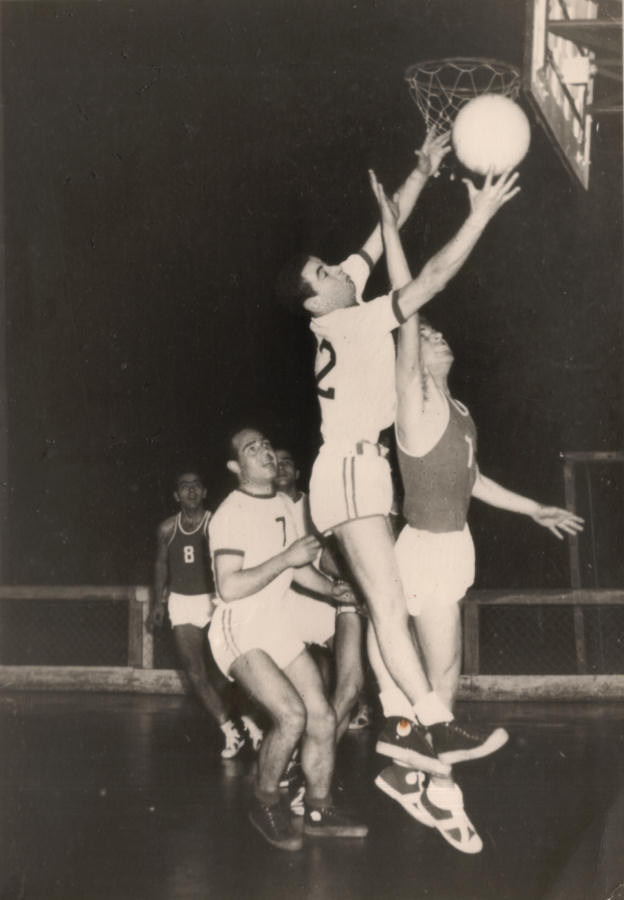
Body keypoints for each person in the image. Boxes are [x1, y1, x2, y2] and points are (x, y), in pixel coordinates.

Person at [276, 132, 520, 776]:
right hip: (348, 470)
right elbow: (430, 278)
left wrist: (422, 171)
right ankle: (432, 725)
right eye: (324, 273)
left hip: (361, 472)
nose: (338, 269)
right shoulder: (349, 320)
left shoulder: (340, 300)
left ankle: (407, 728)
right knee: (386, 605)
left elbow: (382, 234)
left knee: (387, 605)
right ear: (313, 300)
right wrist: (479, 216)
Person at [370, 176, 585, 852]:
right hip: (426, 548)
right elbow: (408, 299)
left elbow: (475, 479)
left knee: (438, 677)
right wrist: (395, 226)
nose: (436, 336)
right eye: (428, 335)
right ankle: (430, 783)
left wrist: (534, 508)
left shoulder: (459, 410)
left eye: (437, 334)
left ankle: (418, 776)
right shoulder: (413, 401)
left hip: (453, 542)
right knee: (441, 675)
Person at [208, 428, 368, 851]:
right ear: (236, 467)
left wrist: (333, 589)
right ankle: (265, 803)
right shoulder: (230, 514)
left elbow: (298, 570)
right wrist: (286, 558)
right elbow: (228, 586)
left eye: (265, 445)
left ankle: (318, 809)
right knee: (291, 716)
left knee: (323, 717)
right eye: (252, 449)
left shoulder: (283, 504)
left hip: (275, 625)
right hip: (238, 629)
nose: (265, 452)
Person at [149, 469, 259, 758]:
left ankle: (249, 721)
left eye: (196, 485)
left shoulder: (216, 524)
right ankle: (229, 730)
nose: (191, 491)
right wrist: (158, 603)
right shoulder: (167, 528)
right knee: (194, 671)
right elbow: (161, 565)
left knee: (231, 668)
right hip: (181, 602)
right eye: (185, 487)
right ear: (176, 495)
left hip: (214, 600)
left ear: (204, 491)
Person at [274, 447, 364, 740]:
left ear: (298, 472)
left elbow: (329, 556)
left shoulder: (315, 505)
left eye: (288, 462)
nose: (282, 467)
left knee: (349, 676)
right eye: (276, 462)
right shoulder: (264, 507)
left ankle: (326, 739)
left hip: (322, 597)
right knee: (286, 688)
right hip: (283, 602)